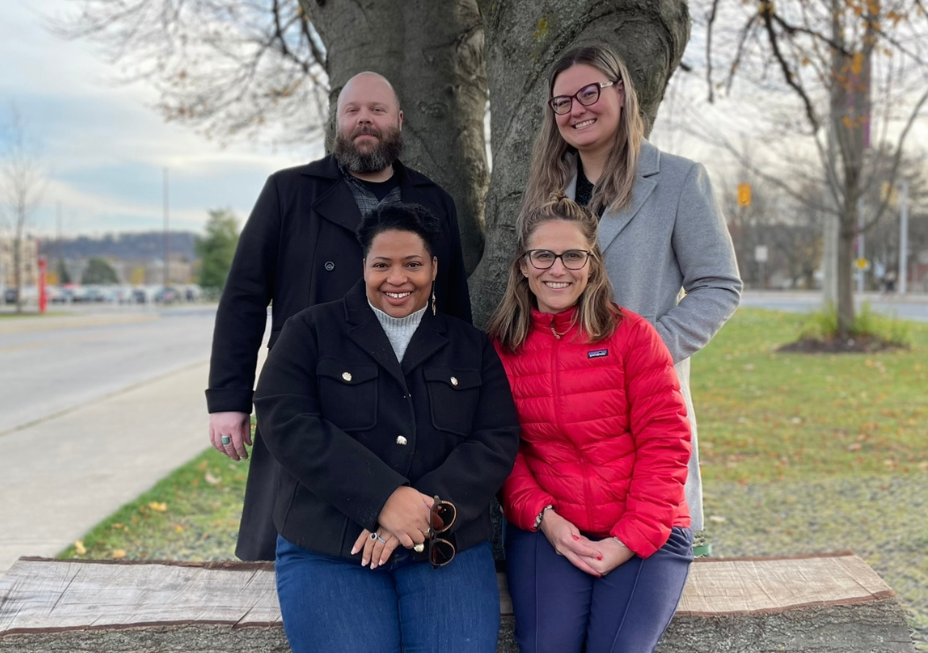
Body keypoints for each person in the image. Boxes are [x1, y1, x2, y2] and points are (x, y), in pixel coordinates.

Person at [206, 71, 473, 561]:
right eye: (352, 111)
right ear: (338, 121)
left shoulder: (434, 201)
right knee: (300, 538)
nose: (363, 119)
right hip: (307, 392)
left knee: (404, 536)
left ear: (398, 120)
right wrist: (228, 398)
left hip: (405, 393)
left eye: (375, 109)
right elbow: (244, 297)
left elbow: (454, 311)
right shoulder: (289, 192)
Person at [254, 203, 520, 653]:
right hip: (332, 547)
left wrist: (422, 512)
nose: (397, 278)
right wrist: (384, 498)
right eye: (382, 265)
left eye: (413, 264)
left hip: (444, 547)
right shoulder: (310, 332)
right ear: (364, 267)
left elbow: (495, 439)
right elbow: (286, 420)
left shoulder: (470, 346)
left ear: (434, 268)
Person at [520, 43, 741, 533]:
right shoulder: (542, 190)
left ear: (622, 93)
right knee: (568, 548)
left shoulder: (681, 181)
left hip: (641, 405)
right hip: (561, 416)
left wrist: (648, 351)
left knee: (646, 540)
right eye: (563, 101)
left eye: (590, 92)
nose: (577, 109)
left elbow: (719, 285)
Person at [489, 194, 692, 653]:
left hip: (646, 527)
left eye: (573, 255)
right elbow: (504, 451)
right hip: (553, 527)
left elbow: (666, 442)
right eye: (543, 255)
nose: (557, 268)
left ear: (592, 263)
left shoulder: (632, 336)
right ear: (523, 265)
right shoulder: (502, 348)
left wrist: (628, 540)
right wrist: (545, 519)